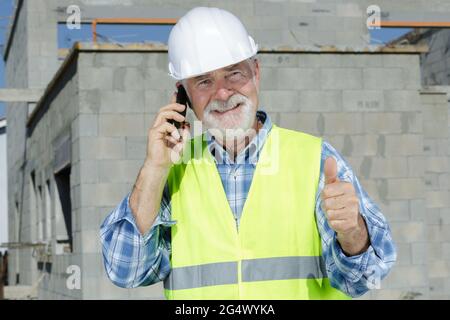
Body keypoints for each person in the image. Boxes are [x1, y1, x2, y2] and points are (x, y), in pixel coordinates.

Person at [100, 7, 396, 299]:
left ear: (256, 73)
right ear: (184, 96)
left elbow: (363, 279)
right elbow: (126, 271)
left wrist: (352, 233)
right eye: (204, 81)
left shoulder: (316, 159)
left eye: (234, 74)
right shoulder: (172, 171)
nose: (223, 93)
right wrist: (154, 168)